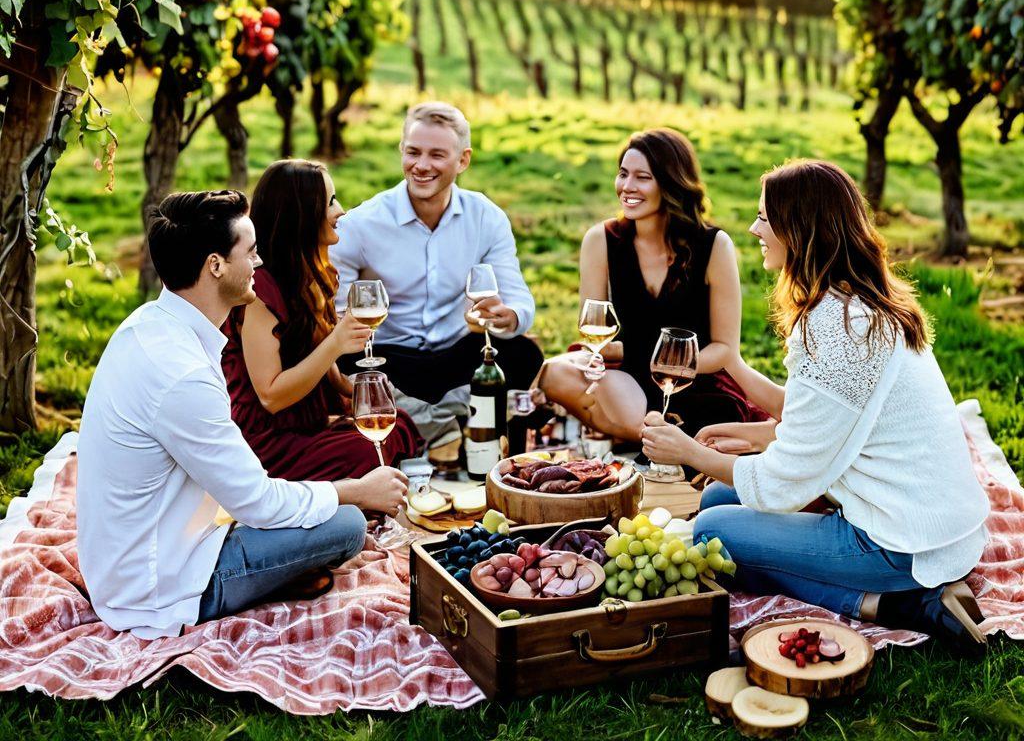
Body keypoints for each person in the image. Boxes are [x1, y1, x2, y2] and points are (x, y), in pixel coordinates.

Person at [640, 160, 990, 654]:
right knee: (720, 498)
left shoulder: (835, 329)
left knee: (711, 530)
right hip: (938, 526)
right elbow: (835, 419)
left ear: (798, 230)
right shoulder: (864, 303)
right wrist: (752, 419)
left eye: (764, 218)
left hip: (899, 542)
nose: (753, 229)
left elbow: (785, 481)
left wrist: (687, 453)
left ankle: (899, 605)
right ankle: (915, 595)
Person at [76, 191, 408, 639]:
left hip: (132, 557)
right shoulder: (182, 375)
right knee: (347, 524)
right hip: (163, 587)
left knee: (323, 510)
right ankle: (271, 581)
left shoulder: (150, 325)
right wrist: (359, 492)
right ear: (215, 265)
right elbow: (257, 503)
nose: (259, 263)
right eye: (250, 252)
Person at [329, 102, 544, 452]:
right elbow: (336, 319)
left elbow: (519, 301)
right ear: (401, 151)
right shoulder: (361, 224)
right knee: (347, 367)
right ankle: (462, 421)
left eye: (437, 155)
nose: (421, 165)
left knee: (523, 354)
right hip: (389, 358)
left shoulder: (486, 218)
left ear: (463, 160)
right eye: (413, 152)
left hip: (458, 354)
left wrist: (507, 316)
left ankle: (422, 423)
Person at [537, 128, 767, 442]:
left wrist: (654, 361)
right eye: (622, 174)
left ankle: (649, 436)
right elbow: (593, 333)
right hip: (628, 377)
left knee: (714, 418)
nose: (627, 187)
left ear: (671, 183)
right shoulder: (601, 240)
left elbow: (724, 350)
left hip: (693, 379)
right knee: (552, 372)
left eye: (642, 177)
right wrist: (605, 356)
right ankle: (661, 436)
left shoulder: (714, 245)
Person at [223, 159, 421, 480]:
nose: (341, 210)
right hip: (267, 444)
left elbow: (315, 352)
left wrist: (355, 388)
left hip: (306, 425)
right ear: (300, 214)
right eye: (329, 201)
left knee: (395, 425)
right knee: (368, 450)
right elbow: (270, 396)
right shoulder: (259, 292)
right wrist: (337, 342)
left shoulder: (309, 276)